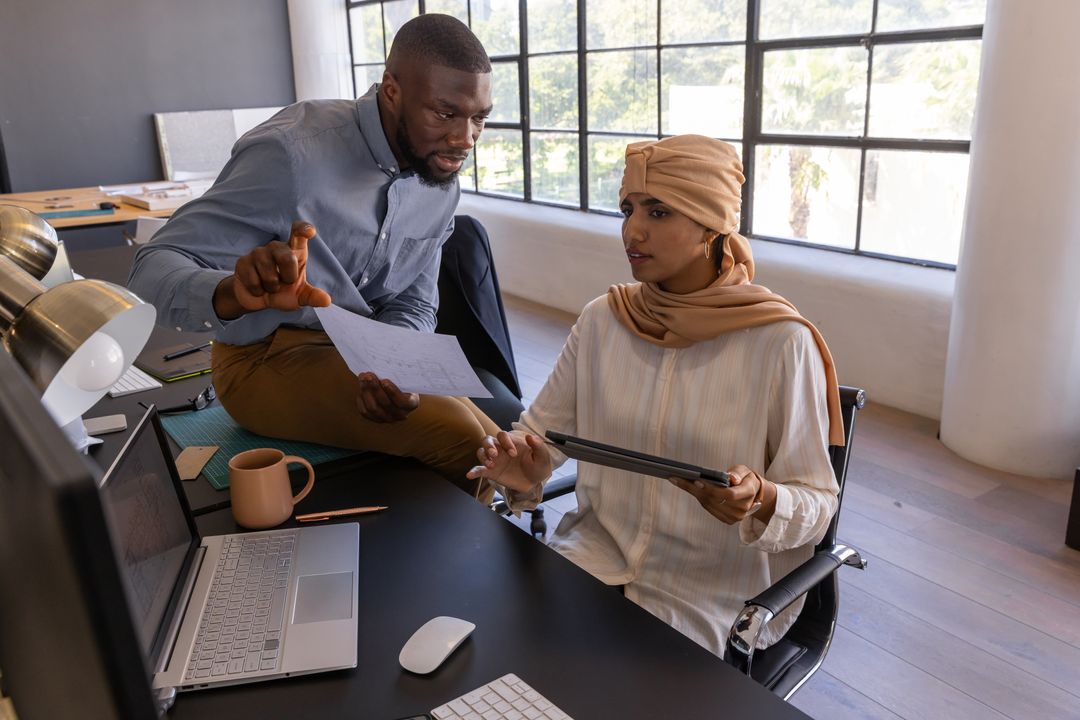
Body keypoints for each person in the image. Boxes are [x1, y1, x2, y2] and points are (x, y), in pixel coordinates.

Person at [467, 134, 845, 654]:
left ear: (712, 224)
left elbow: (819, 504)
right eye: (627, 209)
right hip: (590, 558)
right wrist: (523, 468)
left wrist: (762, 497)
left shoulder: (780, 341)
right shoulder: (603, 319)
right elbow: (538, 437)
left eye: (659, 211)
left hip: (705, 598)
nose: (632, 230)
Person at [128, 14, 501, 499]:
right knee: (468, 441)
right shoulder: (292, 155)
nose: (465, 139)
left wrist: (391, 366)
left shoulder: (438, 181)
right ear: (392, 90)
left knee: (497, 448)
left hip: (359, 351)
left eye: (480, 118)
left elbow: (415, 303)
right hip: (260, 359)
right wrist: (230, 294)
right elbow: (148, 269)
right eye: (445, 114)